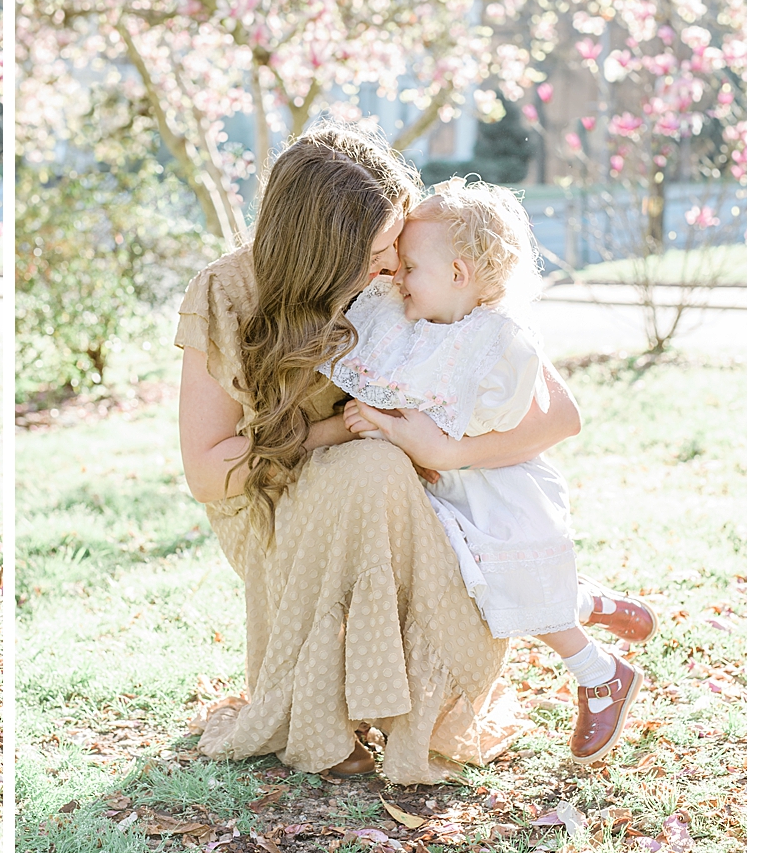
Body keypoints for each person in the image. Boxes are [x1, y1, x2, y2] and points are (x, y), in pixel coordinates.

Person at [176, 121, 647, 783]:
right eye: (378, 252)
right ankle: (323, 717)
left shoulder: (403, 281)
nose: (393, 268)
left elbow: (559, 416)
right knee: (368, 467)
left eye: (397, 245)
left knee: (386, 472)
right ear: (323, 248)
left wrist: (444, 451)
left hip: (406, 489)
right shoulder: (230, 292)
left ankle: (524, 624)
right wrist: (334, 432)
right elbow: (207, 471)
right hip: (276, 503)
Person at [329, 178, 649, 765]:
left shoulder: (498, 343)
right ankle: (582, 601)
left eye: (409, 268)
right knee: (478, 587)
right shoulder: (414, 323)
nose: (395, 278)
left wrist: (392, 428)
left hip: (498, 489)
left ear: (458, 273)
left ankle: (600, 673)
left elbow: (470, 425)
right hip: (454, 492)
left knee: (507, 581)